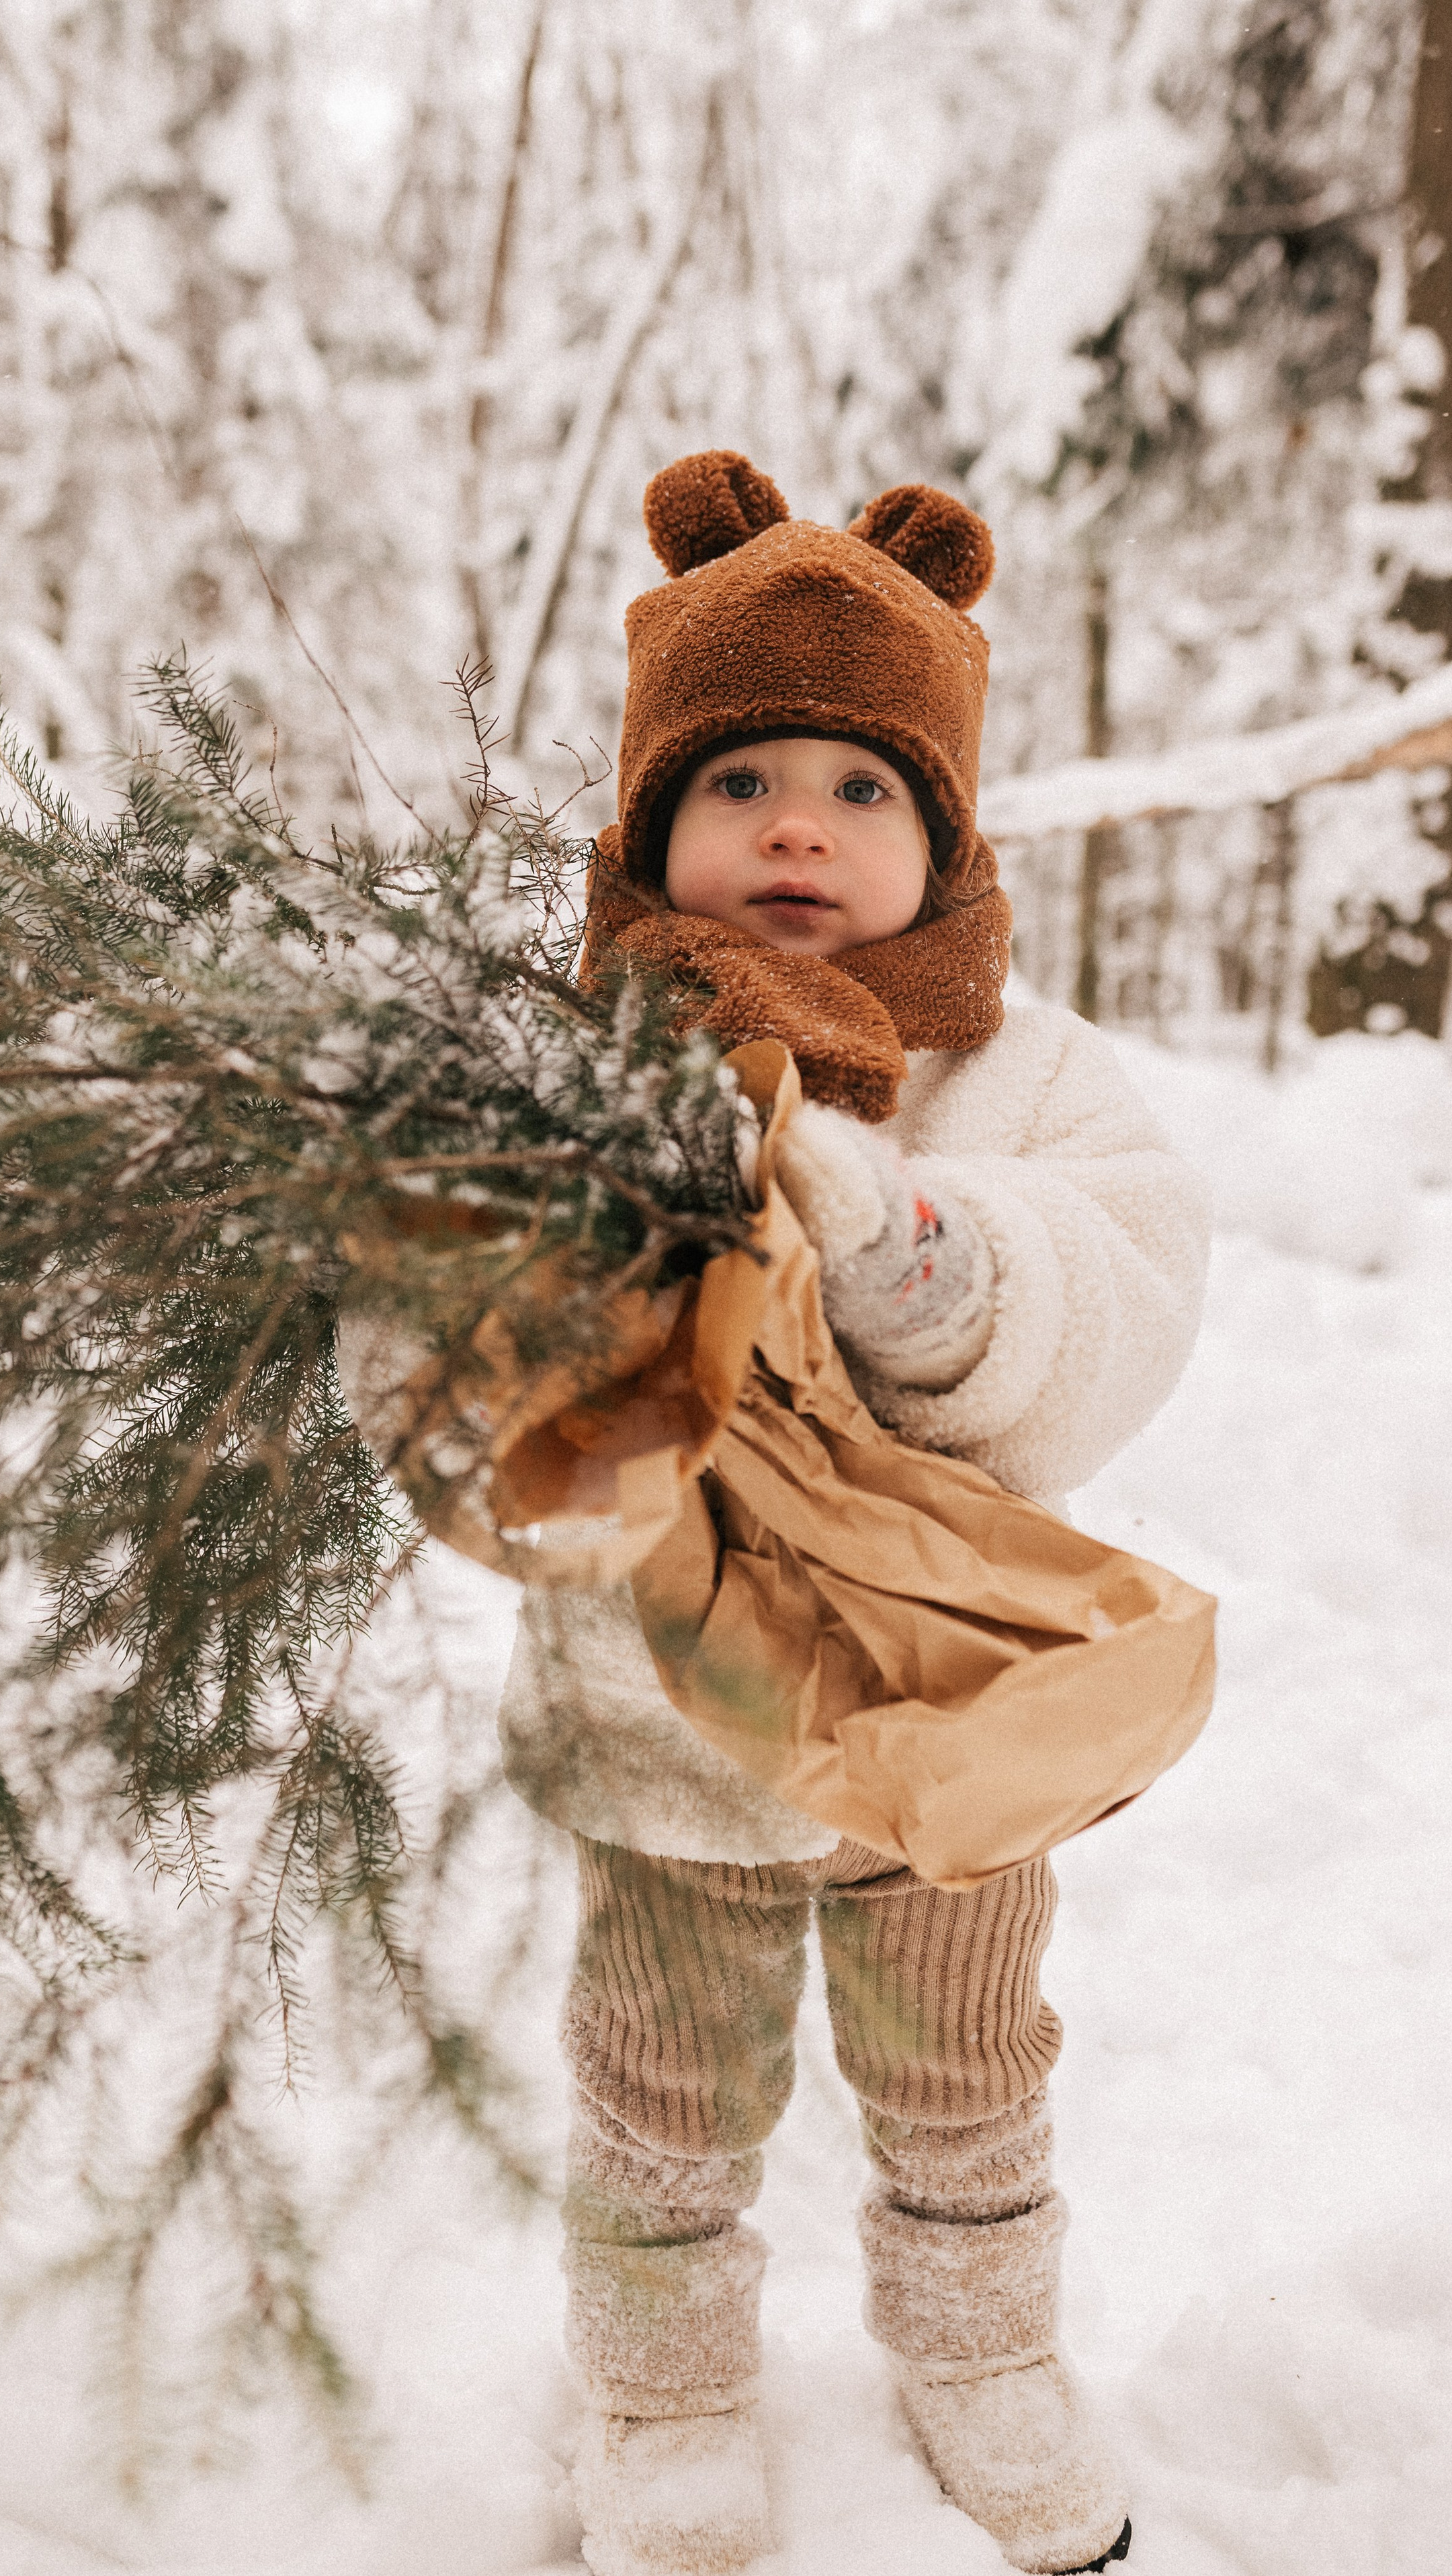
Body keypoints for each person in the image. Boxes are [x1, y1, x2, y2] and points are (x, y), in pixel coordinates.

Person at [493, 452, 1209, 2575]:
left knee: (968, 2065)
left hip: (943, 1716)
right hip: (667, 1719)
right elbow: (456, 1373)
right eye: (740, 781)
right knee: (661, 2084)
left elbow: (1130, 1285)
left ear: (945, 831)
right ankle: (662, 2385)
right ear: (654, 822)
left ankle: (985, 2348)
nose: (798, 825)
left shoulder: (1026, 1072)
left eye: (860, 786)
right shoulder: (571, 1068)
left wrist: (920, 1251)